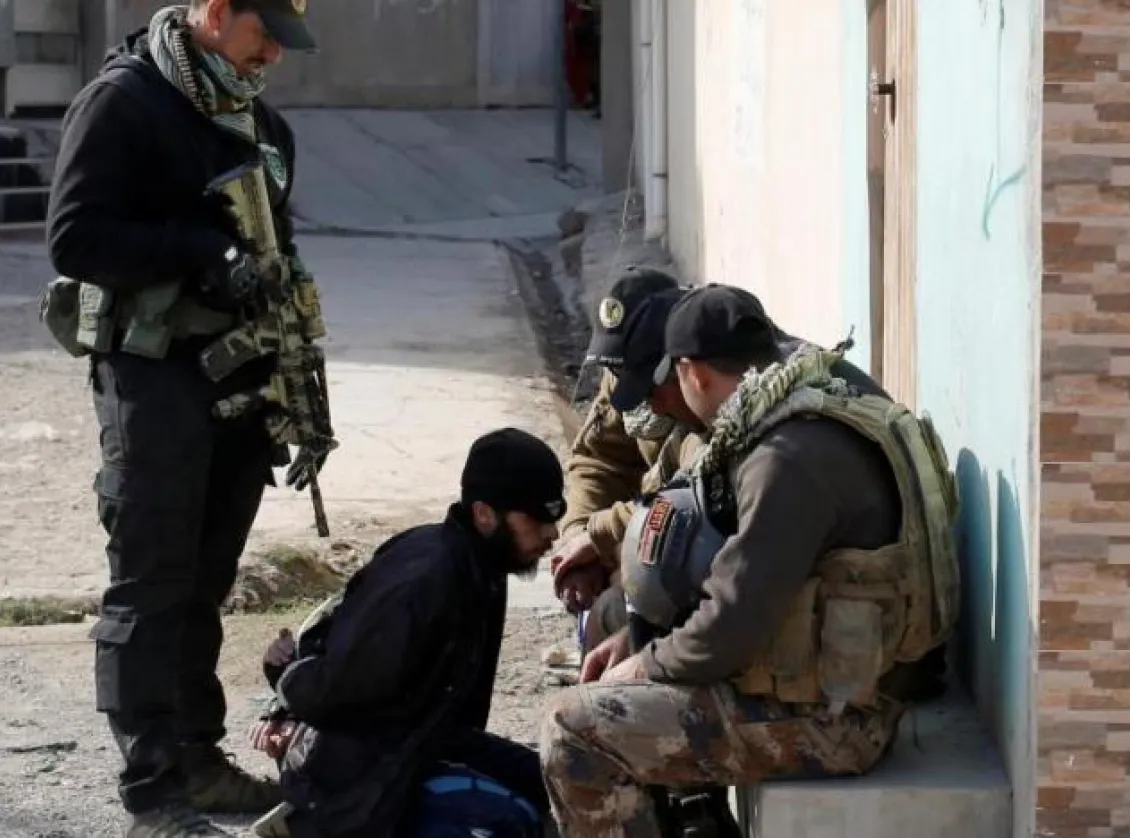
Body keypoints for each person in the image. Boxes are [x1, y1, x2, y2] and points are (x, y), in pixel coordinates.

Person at [538, 285, 961, 838]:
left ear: (693, 372)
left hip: (837, 722)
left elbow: (728, 628)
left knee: (573, 731)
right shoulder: (806, 404)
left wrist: (642, 663)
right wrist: (642, 643)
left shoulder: (783, 459)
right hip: (861, 686)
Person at [43, 2, 323, 835]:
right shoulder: (126, 101)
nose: (272, 51)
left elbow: (277, 252)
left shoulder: (260, 122)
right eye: (259, 31)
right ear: (211, 12)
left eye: (282, 39)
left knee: (205, 582)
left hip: (236, 378)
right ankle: (153, 793)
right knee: (151, 580)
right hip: (153, 374)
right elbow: (74, 237)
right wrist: (201, 250)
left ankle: (198, 760)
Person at [246, 428, 566, 838]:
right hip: (356, 782)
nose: (551, 534)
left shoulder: (483, 566)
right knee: (507, 825)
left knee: (561, 786)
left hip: (426, 745)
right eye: (537, 519)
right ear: (485, 514)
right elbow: (334, 688)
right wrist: (286, 687)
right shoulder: (424, 584)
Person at [550, 267, 705, 654]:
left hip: (693, 546)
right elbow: (599, 460)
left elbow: (691, 493)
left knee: (615, 613)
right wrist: (578, 537)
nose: (641, 399)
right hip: (647, 527)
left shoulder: (709, 391)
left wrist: (601, 536)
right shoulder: (627, 372)